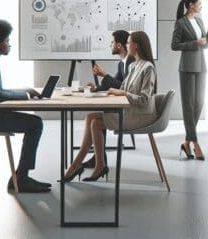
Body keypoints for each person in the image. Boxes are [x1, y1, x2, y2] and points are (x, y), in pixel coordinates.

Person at [63, 31, 157, 182]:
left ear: (136, 46)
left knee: (96, 123)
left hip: (140, 116)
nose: (126, 45)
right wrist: (98, 89)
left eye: (128, 43)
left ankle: (81, 165)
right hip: (131, 111)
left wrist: (123, 93)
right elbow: (121, 87)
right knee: (91, 117)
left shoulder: (148, 68)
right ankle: (92, 164)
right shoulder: (134, 66)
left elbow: (144, 99)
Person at [0, 20, 50, 193]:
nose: (10, 44)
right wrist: (26, 95)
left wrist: (24, 91)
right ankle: (21, 178)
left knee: (34, 122)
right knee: (35, 124)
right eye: (7, 40)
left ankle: (20, 176)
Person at [171, 0, 208, 160]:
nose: (201, 6)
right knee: (188, 106)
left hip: (201, 66)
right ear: (191, 5)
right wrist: (194, 43)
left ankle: (186, 142)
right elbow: (174, 45)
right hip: (187, 67)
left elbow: (206, 45)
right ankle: (195, 143)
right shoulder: (180, 23)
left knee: (199, 103)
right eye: (199, 3)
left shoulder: (199, 21)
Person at [83, 30, 133, 169]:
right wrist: (95, 88)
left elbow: (124, 87)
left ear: (119, 45)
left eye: (112, 42)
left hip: (130, 109)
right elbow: (114, 83)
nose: (110, 45)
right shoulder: (122, 63)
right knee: (92, 116)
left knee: (95, 117)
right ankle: (98, 157)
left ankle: (97, 159)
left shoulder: (131, 62)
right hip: (123, 105)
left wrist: (104, 75)